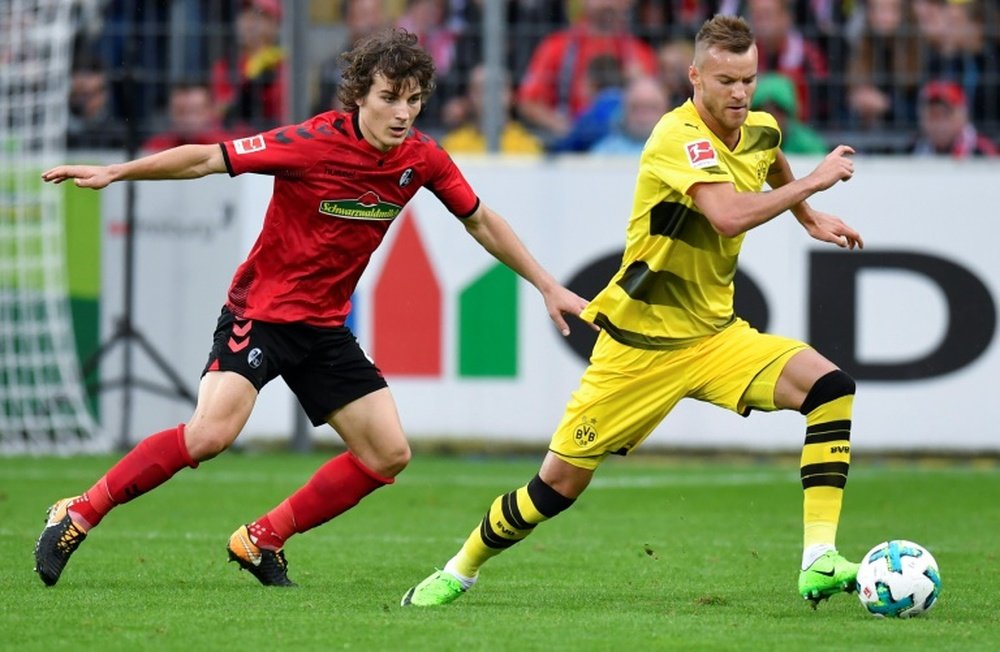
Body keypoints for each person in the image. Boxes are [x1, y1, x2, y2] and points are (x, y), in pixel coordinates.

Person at [33, 28, 588, 589]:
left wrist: (545, 283)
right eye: (389, 98)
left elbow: (481, 221)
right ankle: (77, 512)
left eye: (414, 99)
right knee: (210, 434)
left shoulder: (421, 158)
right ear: (359, 97)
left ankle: (260, 538)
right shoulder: (312, 141)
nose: (403, 113)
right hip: (262, 314)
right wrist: (116, 172)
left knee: (386, 454)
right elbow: (207, 158)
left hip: (323, 328)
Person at [401, 14, 864, 609]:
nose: (740, 93)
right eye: (725, 80)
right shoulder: (678, 137)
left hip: (716, 338)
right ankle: (460, 569)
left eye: (748, 79)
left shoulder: (759, 128)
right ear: (694, 76)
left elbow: (769, 155)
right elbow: (725, 215)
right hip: (637, 350)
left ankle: (818, 559)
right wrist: (814, 186)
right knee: (555, 488)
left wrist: (808, 218)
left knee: (831, 387)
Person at [515, 0, 658, 141]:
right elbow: (528, 102)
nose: (608, 3)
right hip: (571, 148)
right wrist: (565, 129)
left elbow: (658, 107)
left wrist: (640, 84)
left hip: (626, 144)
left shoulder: (641, 54)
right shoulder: (556, 47)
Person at [211, 0, 286, 131]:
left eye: (260, 17)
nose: (250, 24)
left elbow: (284, 111)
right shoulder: (224, 65)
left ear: (275, 26)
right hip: (235, 141)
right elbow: (219, 113)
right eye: (245, 15)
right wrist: (248, 86)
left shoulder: (283, 65)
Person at [440, 64, 544, 155]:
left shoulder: (529, 146)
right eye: (482, 89)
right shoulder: (451, 147)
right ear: (470, 96)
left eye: (498, 88)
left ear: (511, 95)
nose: (490, 96)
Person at [909, 79, 999, 158]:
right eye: (933, 115)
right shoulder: (912, 150)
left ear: (963, 116)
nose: (940, 123)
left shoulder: (984, 152)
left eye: (946, 114)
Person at [142, 82, 242, 152]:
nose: (188, 120)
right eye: (180, 112)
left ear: (210, 111)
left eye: (195, 112)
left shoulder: (229, 147)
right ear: (170, 111)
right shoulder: (155, 148)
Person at [750, 72, 828, 155]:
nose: (771, 119)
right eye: (762, 112)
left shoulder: (808, 146)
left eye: (778, 110)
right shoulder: (744, 143)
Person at [589, 75, 669, 154]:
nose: (643, 117)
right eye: (636, 108)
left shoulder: (679, 150)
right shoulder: (603, 153)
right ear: (624, 111)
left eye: (651, 108)